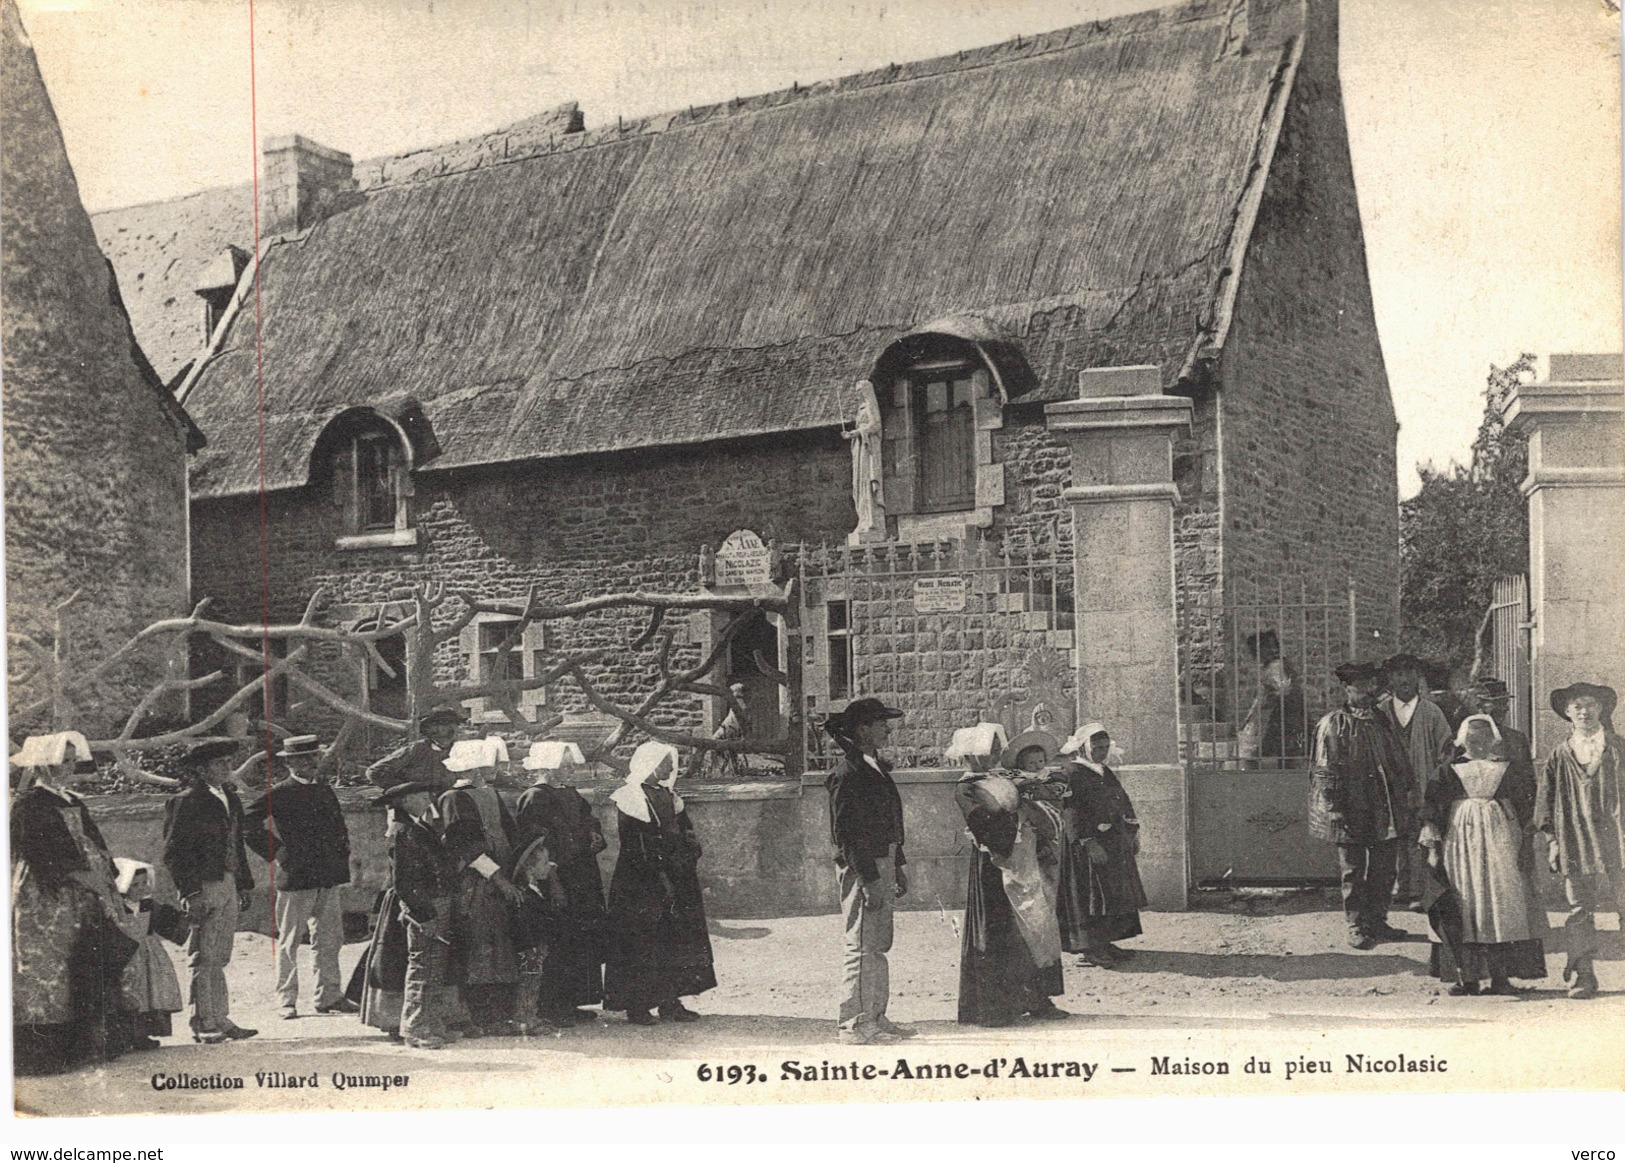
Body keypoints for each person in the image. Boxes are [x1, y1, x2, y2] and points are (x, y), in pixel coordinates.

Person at [10, 732, 141, 1074]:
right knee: (48, 965)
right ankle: (47, 1051)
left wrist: (108, 879)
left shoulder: (73, 800)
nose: (67, 768)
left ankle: (91, 1040)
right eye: (60, 761)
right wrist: (84, 878)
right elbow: (40, 853)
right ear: (42, 764)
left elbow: (96, 845)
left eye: (70, 761)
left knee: (87, 959)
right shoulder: (28, 804)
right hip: (48, 896)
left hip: (87, 896)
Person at [1420, 715, 1546, 996]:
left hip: (1501, 841)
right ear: (1462, 741)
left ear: (1494, 740)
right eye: (1472, 739)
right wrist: (1432, 848)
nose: (1478, 744)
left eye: (1484, 739)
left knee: (1501, 902)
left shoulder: (1507, 769)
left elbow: (1526, 807)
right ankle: (1467, 977)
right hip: (1460, 842)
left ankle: (1501, 977)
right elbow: (1431, 810)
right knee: (1465, 901)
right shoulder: (1447, 771)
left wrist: (1526, 841)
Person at [950, 730, 1068, 1026]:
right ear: (969, 754)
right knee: (998, 934)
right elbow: (981, 822)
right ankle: (996, 1007)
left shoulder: (1002, 778)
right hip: (994, 864)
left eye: (994, 749)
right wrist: (1018, 821)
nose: (991, 756)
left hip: (1023, 859)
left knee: (1032, 924)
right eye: (984, 751)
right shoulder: (966, 788)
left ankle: (1038, 999)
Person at [242, 734, 356, 1020]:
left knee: (330, 940)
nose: (310, 763)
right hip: (297, 877)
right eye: (302, 759)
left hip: (328, 876)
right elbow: (247, 824)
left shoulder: (325, 790)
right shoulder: (280, 792)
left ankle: (329, 995)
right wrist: (277, 851)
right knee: (290, 941)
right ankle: (287, 1000)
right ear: (289, 763)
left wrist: (342, 856)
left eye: (313, 757)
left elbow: (339, 828)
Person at [604, 741, 717, 1025]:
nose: (670, 767)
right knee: (642, 942)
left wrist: (688, 854)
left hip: (674, 876)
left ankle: (670, 1001)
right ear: (651, 765)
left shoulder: (669, 797)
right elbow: (635, 844)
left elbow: (685, 832)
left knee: (672, 941)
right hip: (640, 881)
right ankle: (637, 1005)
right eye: (666, 762)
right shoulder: (630, 798)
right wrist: (659, 873)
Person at [1308, 661, 1414, 950]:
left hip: (1383, 807)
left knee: (1384, 868)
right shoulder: (1333, 724)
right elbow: (1324, 771)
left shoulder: (1381, 720)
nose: (1367, 693)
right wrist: (1334, 809)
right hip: (1350, 807)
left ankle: (1378, 920)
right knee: (1353, 870)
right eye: (1360, 687)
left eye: (1370, 686)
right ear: (1346, 689)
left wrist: (1404, 787)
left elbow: (1398, 757)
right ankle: (1356, 925)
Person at [824, 698, 912, 1044]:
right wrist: (868, 878)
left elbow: (889, 824)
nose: (887, 729)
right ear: (862, 729)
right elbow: (846, 834)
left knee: (877, 944)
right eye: (881, 723)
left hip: (882, 861)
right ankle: (854, 1025)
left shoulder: (872, 767)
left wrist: (897, 866)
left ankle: (875, 1015)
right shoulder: (847, 774)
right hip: (864, 866)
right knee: (861, 945)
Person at [161, 739, 258, 1044]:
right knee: (204, 955)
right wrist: (190, 893)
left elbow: (236, 845)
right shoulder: (187, 801)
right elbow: (175, 853)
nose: (227, 767)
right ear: (202, 770)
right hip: (204, 884)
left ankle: (221, 1018)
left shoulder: (230, 798)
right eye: (220, 763)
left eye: (229, 761)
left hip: (227, 881)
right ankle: (203, 1021)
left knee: (221, 955)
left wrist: (243, 884)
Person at [1534, 682, 1624, 999]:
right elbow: (1544, 804)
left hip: (1617, 840)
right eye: (1577, 707)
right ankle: (1584, 975)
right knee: (1579, 910)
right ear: (1568, 713)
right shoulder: (1560, 754)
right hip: (1574, 840)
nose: (1584, 711)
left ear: (1602, 709)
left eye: (1590, 705)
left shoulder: (1618, 748)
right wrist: (1553, 842)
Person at [513, 741, 607, 1027]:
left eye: (570, 764)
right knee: (558, 938)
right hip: (558, 877)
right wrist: (552, 881)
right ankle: (551, 1006)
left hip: (582, 876)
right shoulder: (534, 797)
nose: (570, 769)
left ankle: (572, 1001)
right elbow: (536, 847)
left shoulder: (571, 794)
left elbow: (590, 822)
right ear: (547, 766)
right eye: (563, 764)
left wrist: (594, 835)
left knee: (579, 938)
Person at [439, 737, 526, 1036]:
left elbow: (509, 833)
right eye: (489, 762)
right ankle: (476, 1016)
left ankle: (499, 1014)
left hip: (500, 877)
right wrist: (499, 878)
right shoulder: (454, 798)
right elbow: (467, 847)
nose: (495, 767)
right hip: (475, 883)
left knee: (500, 946)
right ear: (474, 767)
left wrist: (516, 870)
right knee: (479, 948)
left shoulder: (490, 794)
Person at [375, 781, 461, 1049]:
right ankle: (415, 1028)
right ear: (406, 800)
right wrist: (424, 915)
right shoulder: (407, 832)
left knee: (434, 968)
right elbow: (404, 883)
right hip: (427, 907)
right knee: (423, 967)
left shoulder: (418, 827)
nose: (428, 797)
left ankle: (430, 1023)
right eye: (421, 794)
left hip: (436, 903)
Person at [1056, 722, 1147, 967]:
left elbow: (1123, 803)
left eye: (1105, 747)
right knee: (1091, 897)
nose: (1101, 751)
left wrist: (1131, 832)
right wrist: (1087, 841)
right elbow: (1070, 812)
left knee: (1110, 895)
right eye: (1096, 746)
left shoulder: (1104, 771)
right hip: (1088, 847)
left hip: (1113, 844)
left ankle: (1105, 942)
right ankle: (1090, 948)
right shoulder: (1073, 773)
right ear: (1083, 747)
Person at [1380, 652, 1455, 910]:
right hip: (1390, 788)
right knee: (1393, 837)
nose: (1404, 679)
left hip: (1424, 785)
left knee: (1423, 836)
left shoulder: (1432, 713)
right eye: (1398, 674)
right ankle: (1398, 887)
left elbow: (1447, 751)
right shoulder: (1380, 712)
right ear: (1390, 679)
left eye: (1409, 673)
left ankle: (1421, 891)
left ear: (1418, 678)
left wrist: (1435, 782)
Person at [113, 860, 185, 1049]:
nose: (140, 888)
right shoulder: (117, 906)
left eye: (144, 883)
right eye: (134, 884)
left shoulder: (148, 905)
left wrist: (186, 919)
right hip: (126, 955)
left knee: (150, 993)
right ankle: (126, 1037)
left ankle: (143, 1035)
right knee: (129, 993)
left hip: (149, 955)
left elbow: (168, 923)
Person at [508, 836, 568, 1034]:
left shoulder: (536, 890)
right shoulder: (524, 894)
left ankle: (530, 1017)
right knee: (527, 984)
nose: (549, 866)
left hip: (537, 946)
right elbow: (522, 923)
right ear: (530, 868)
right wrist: (531, 945)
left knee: (534, 983)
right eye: (544, 862)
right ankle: (524, 1020)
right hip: (529, 947)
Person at [1241, 630, 1307, 760]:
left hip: (1280, 718)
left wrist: (1269, 697)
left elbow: (1285, 690)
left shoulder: (1275, 666)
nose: (1254, 655)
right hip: (1282, 718)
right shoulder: (1275, 665)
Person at [366, 707, 465, 791]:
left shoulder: (461, 751)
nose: (449, 729)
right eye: (442, 724)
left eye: (453, 724)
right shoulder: (417, 749)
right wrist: (407, 789)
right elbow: (374, 772)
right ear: (430, 728)